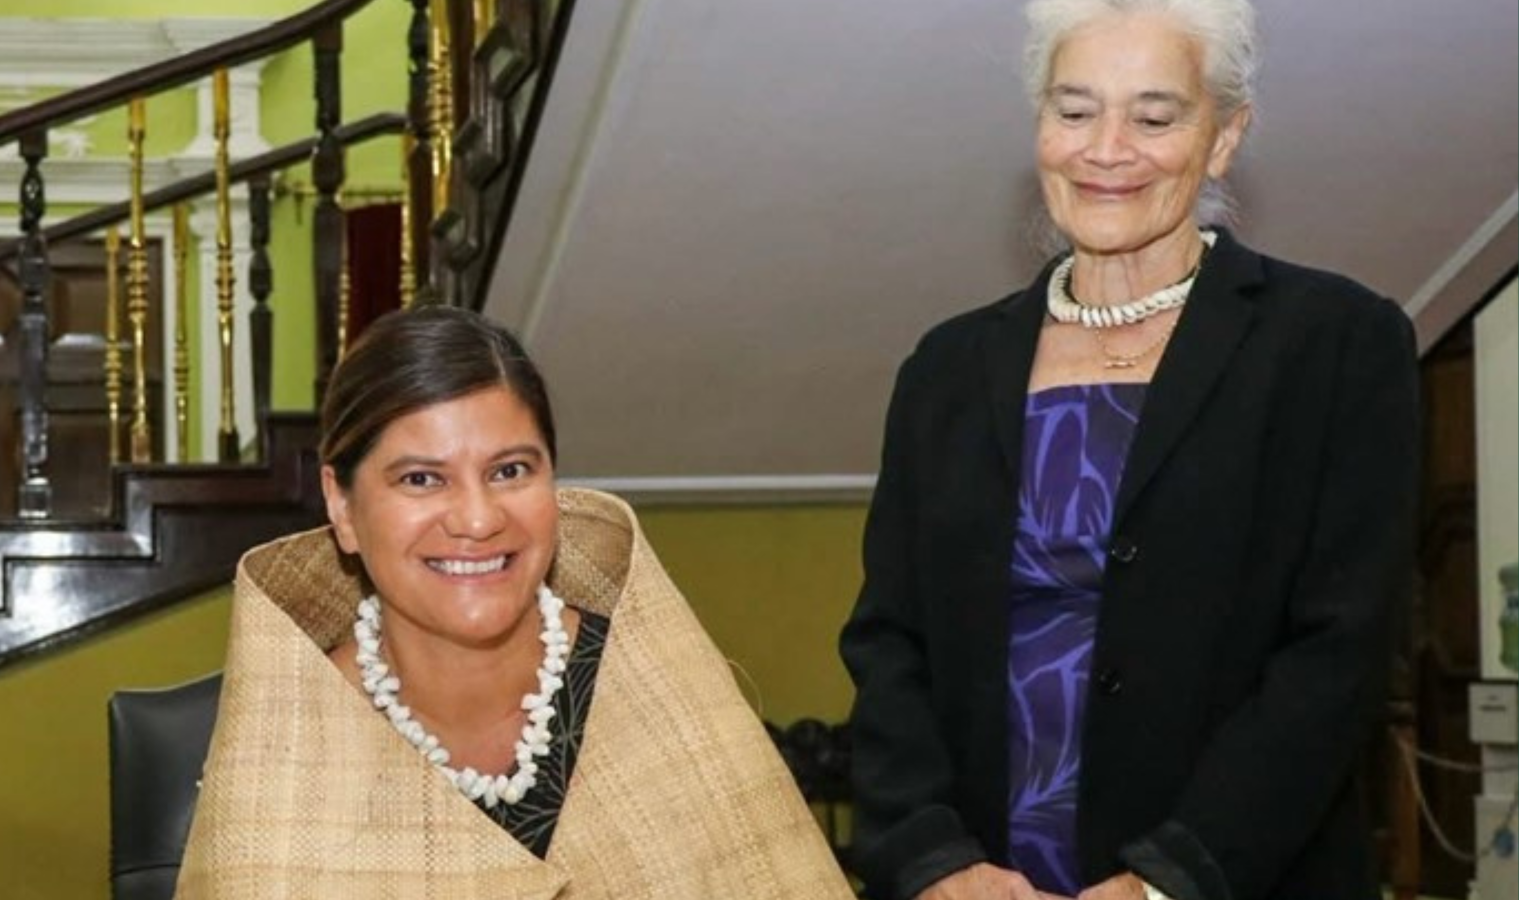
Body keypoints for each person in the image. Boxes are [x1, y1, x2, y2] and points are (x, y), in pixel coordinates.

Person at [839, 2, 1419, 899]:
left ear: (1224, 138)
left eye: (1154, 117)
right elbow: (889, 642)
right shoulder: (946, 367)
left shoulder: (1337, 344)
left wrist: (1170, 878)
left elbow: (1338, 655)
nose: (1107, 149)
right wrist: (931, 858)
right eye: (1074, 111)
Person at [176, 306, 853, 898]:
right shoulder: (290, 748)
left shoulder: (656, 693)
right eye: (421, 478)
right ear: (342, 505)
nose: (477, 518)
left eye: (510, 471)